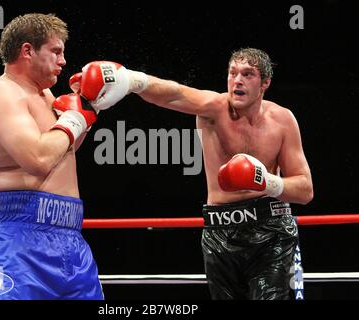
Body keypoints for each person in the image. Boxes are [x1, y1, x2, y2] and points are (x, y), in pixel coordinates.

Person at [72, 48, 313, 299]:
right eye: (232, 73)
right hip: (220, 233)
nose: (237, 80)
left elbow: (305, 190)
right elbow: (174, 94)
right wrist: (132, 80)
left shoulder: (283, 120)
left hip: (272, 233)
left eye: (247, 74)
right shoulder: (214, 109)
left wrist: (267, 182)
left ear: (265, 83)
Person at [0, 13, 113, 300]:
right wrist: (75, 119)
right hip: (17, 238)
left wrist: (89, 108)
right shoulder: (0, 93)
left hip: (70, 237)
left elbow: (64, 148)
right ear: (27, 50)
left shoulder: (47, 96)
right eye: (56, 51)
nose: (63, 61)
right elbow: (37, 159)